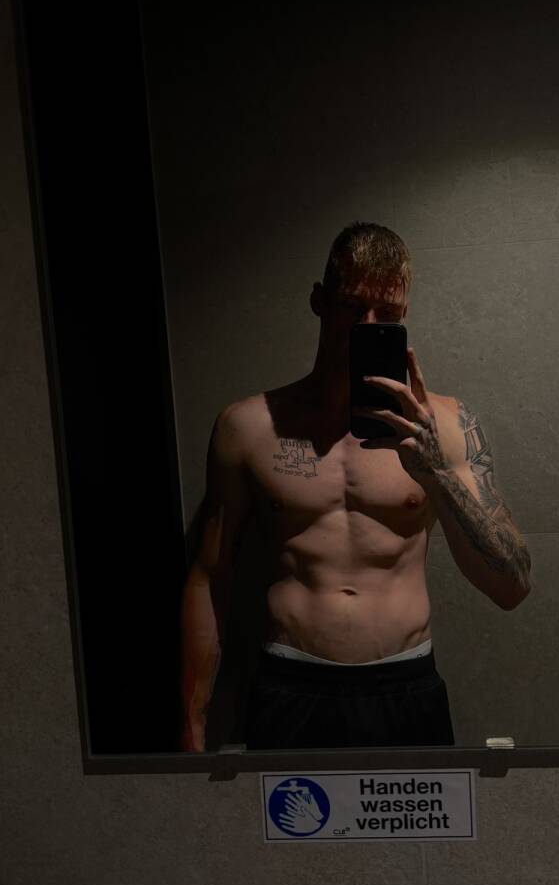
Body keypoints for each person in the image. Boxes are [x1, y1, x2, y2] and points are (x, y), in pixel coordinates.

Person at [180, 222, 531, 752]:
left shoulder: (446, 425)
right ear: (319, 302)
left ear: (404, 315)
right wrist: (192, 724)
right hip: (289, 684)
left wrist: (436, 473)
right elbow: (210, 577)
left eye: (386, 314)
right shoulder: (248, 426)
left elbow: (512, 586)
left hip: (405, 685)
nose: (366, 326)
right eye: (351, 306)